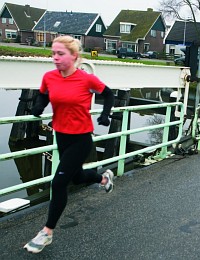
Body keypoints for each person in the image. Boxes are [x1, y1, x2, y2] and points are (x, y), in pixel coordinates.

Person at [23, 35, 115, 254]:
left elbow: (109, 94)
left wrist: (105, 114)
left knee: (59, 183)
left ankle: (47, 232)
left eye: (60, 54)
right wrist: (38, 107)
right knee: (76, 177)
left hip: (81, 138)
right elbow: (44, 95)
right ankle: (104, 178)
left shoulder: (86, 79)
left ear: (74, 56)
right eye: (53, 53)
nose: (55, 58)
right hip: (61, 135)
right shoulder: (49, 77)